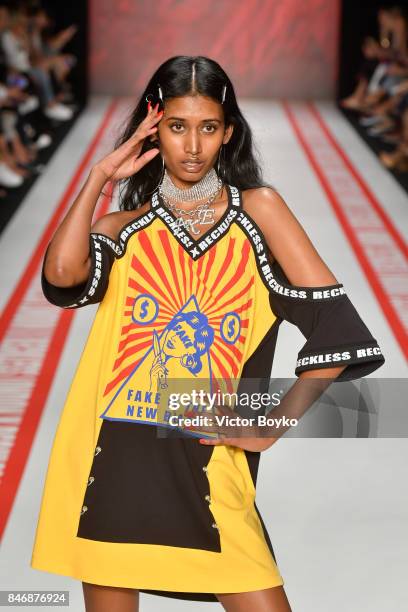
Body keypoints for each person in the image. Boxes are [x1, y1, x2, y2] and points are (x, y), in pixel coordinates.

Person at [31, 56, 385, 612]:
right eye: (177, 126)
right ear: (153, 128)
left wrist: (269, 427)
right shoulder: (123, 228)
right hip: (111, 454)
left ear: (229, 132)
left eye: (208, 127)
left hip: (207, 451)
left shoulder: (259, 212)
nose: (193, 146)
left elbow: (336, 332)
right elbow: (62, 277)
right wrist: (99, 179)